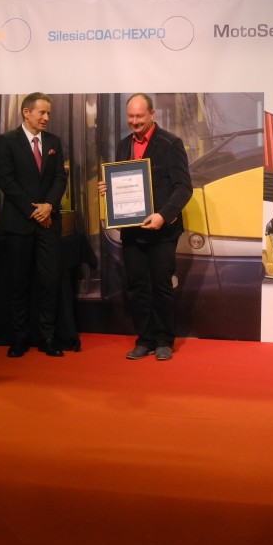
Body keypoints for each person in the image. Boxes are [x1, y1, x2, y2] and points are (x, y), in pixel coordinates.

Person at [102, 93, 192, 361]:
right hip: (132, 229)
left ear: (152, 114)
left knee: (161, 286)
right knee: (137, 285)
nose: (134, 121)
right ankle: (145, 339)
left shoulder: (171, 143)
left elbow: (184, 188)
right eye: (130, 116)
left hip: (162, 230)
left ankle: (163, 340)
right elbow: (124, 181)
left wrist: (163, 216)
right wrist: (109, 187)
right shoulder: (122, 145)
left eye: (139, 116)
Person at [0, 92, 67, 358]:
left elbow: (60, 179)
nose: (46, 117)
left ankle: (47, 336)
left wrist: (49, 206)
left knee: (50, 281)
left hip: (48, 222)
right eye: (42, 112)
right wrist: (33, 210)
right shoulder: (6, 141)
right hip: (19, 223)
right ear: (26, 112)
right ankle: (20, 337)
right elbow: (6, 181)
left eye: (49, 113)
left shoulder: (54, 142)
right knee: (19, 282)